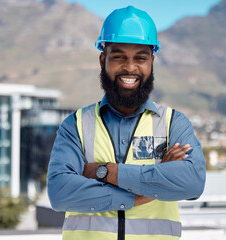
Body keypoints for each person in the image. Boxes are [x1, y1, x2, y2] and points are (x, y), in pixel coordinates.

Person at [47, 5, 206, 240]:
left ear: (151, 61)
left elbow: (192, 183)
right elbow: (60, 193)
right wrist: (148, 187)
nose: (130, 67)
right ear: (103, 60)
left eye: (140, 58)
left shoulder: (174, 123)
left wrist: (103, 172)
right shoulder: (76, 125)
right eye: (119, 56)